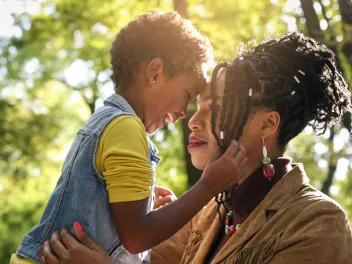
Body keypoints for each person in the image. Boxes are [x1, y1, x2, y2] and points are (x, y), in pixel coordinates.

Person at [41, 32, 352, 264]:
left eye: (215, 107)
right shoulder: (205, 214)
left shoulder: (318, 223)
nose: (192, 121)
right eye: (196, 106)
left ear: (268, 124)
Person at [10, 10, 248, 264]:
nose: (182, 113)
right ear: (155, 72)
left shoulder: (105, 121)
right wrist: (208, 186)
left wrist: (143, 204)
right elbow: (137, 238)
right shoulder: (126, 128)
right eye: (187, 95)